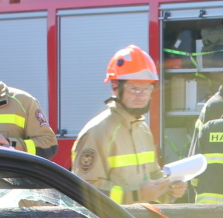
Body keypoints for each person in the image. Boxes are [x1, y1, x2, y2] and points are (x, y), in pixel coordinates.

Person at [71, 45, 185, 205]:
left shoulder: (143, 130)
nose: (142, 96)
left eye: (147, 89)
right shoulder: (98, 131)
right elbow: (85, 189)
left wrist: (169, 188)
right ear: (115, 87)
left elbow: (152, 174)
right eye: (134, 89)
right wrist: (137, 195)